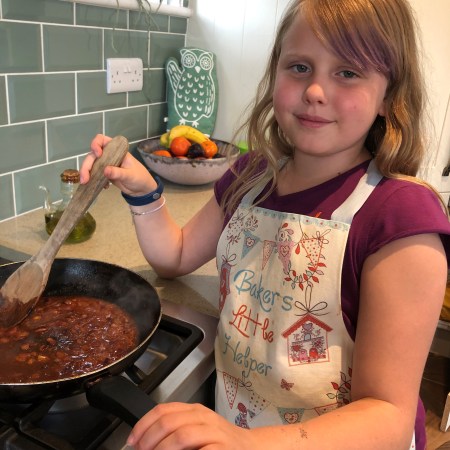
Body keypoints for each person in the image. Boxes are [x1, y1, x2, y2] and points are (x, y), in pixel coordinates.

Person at [80, 0, 450, 448]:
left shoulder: (399, 217)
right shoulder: (251, 177)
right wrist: (143, 192)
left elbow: (388, 416)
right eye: (299, 67)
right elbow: (174, 255)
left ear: (389, 95)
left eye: (348, 72)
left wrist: (248, 444)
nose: (315, 90)